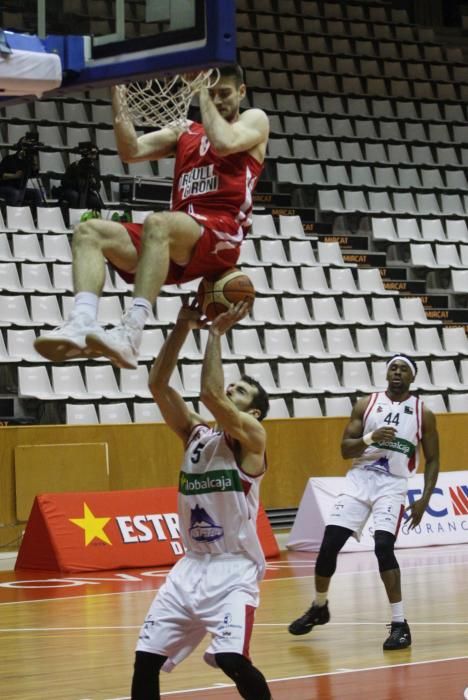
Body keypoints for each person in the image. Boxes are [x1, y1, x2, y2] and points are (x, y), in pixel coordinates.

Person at [34, 64, 269, 369]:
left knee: (159, 223)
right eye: (213, 94)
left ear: (241, 92)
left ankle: (131, 333)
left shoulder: (255, 120)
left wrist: (200, 90)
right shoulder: (186, 131)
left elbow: (224, 143)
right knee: (89, 231)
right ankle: (82, 323)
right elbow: (130, 151)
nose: (218, 100)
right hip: (179, 239)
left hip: (222, 233)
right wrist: (117, 91)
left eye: (224, 94)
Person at [130, 300, 272, 700]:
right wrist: (182, 326)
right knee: (145, 659)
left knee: (232, 661)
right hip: (190, 566)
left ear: (255, 411)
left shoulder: (253, 438)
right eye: (233, 385)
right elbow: (158, 384)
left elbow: (211, 396)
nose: (231, 389)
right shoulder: (196, 434)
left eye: (241, 391)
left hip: (234, 570)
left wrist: (214, 333)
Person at [288, 354, 440, 650]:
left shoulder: (423, 412)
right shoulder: (366, 404)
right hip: (359, 481)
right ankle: (320, 607)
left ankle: (400, 624)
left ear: (412, 377)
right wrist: (371, 437)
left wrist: (424, 497)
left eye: (404, 369)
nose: (397, 372)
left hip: (392, 486)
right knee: (329, 545)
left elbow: (433, 459)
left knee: (383, 547)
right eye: (393, 367)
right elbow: (345, 450)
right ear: (386, 374)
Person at [54, 141, 102, 213]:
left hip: (86, 192)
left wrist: (91, 183)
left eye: (94, 154)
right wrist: (78, 183)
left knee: (94, 200)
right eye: (91, 154)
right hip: (72, 190)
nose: (92, 157)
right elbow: (64, 182)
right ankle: (73, 217)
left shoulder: (93, 170)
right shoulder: (74, 166)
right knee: (75, 196)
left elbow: (97, 187)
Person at [0, 134, 43, 206]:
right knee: (16, 193)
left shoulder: (28, 161)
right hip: (5, 187)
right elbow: (1, 175)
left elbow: (34, 174)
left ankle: (38, 215)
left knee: (36, 193)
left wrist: (34, 158)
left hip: (20, 189)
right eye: (24, 145)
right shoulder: (9, 159)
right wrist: (14, 176)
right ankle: (12, 213)